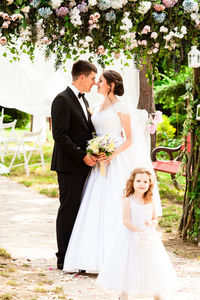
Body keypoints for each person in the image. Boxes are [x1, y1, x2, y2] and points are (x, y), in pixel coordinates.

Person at [63, 70, 162, 273]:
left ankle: (118, 258)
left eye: (100, 81)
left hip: (116, 159)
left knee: (114, 203)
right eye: (96, 80)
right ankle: (90, 256)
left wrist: (112, 154)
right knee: (95, 204)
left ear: (111, 85)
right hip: (100, 160)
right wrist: (96, 150)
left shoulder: (121, 107)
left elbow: (130, 140)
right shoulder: (97, 106)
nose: (96, 83)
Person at [97, 168, 179, 300]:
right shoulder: (128, 200)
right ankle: (124, 292)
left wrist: (152, 224)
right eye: (139, 181)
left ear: (150, 184)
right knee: (128, 263)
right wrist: (139, 231)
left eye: (145, 181)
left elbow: (154, 219)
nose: (142, 184)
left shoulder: (150, 200)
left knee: (152, 262)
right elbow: (126, 221)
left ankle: (157, 292)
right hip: (130, 235)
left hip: (148, 236)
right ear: (132, 182)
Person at [51, 60, 98, 270]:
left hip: (84, 164)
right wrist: (82, 156)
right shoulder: (62, 100)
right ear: (81, 77)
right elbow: (60, 136)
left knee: (80, 210)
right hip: (69, 165)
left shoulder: (84, 100)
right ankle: (62, 257)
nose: (94, 83)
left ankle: (75, 255)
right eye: (92, 78)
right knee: (68, 209)